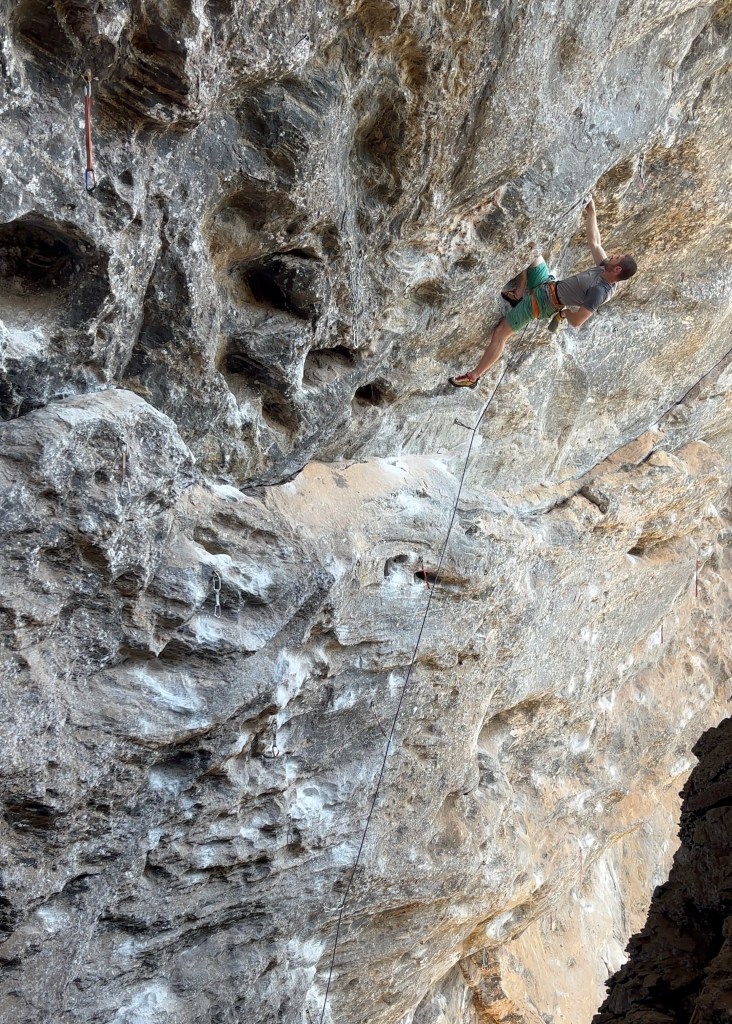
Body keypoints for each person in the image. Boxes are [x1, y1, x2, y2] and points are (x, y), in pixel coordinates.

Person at [448, 197, 637, 388]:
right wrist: (591, 212)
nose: (612, 255)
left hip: (542, 304)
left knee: (500, 333)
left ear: (618, 270)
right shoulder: (604, 269)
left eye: (617, 258)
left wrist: (564, 313)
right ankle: (519, 293)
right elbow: (596, 243)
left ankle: (474, 377)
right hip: (547, 284)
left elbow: (577, 321)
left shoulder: (599, 292)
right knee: (530, 249)